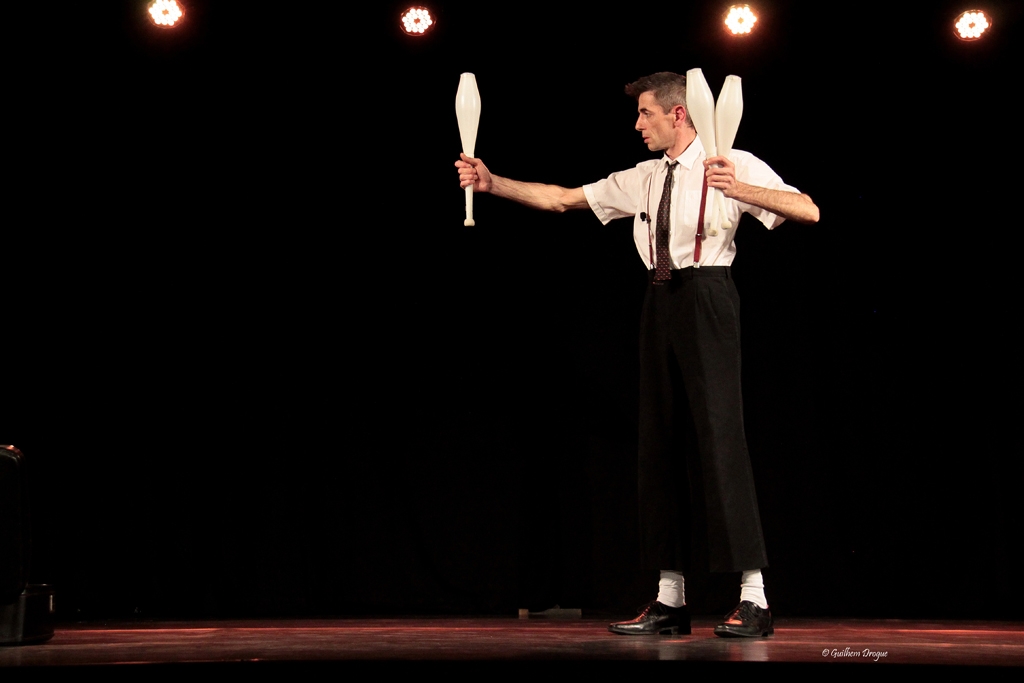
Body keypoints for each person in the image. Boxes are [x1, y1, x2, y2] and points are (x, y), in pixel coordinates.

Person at [455, 72, 818, 638]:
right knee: (661, 446)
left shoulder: (731, 160)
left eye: (645, 113)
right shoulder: (645, 177)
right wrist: (492, 181)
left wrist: (739, 189)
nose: (637, 123)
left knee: (720, 441)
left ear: (678, 114)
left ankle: (755, 596)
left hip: (709, 297)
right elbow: (562, 199)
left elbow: (808, 210)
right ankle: (669, 599)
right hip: (658, 301)